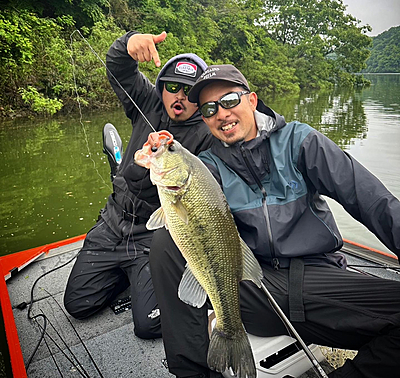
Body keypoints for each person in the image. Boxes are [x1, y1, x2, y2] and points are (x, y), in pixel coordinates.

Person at [149, 64, 400, 378]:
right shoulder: (205, 167)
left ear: (252, 100)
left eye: (228, 100)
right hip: (254, 291)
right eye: (210, 108)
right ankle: (193, 372)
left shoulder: (300, 141)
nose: (221, 114)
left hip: (316, 280)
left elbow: (371, 199)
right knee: (165, 241)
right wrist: (153, 157)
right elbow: (178, 212)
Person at [64, 31, 213, 339]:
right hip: (112, 223)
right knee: (78, 303)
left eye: (190, 91)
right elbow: (119, 67)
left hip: (152, 235)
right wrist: (127, 43)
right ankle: (126, 275)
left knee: (149, 325)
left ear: (201, 98)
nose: (180, 96)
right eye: (173, 87)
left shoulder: (208, 136)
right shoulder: (147, 101)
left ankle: (145, 275)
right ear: (162, 88)